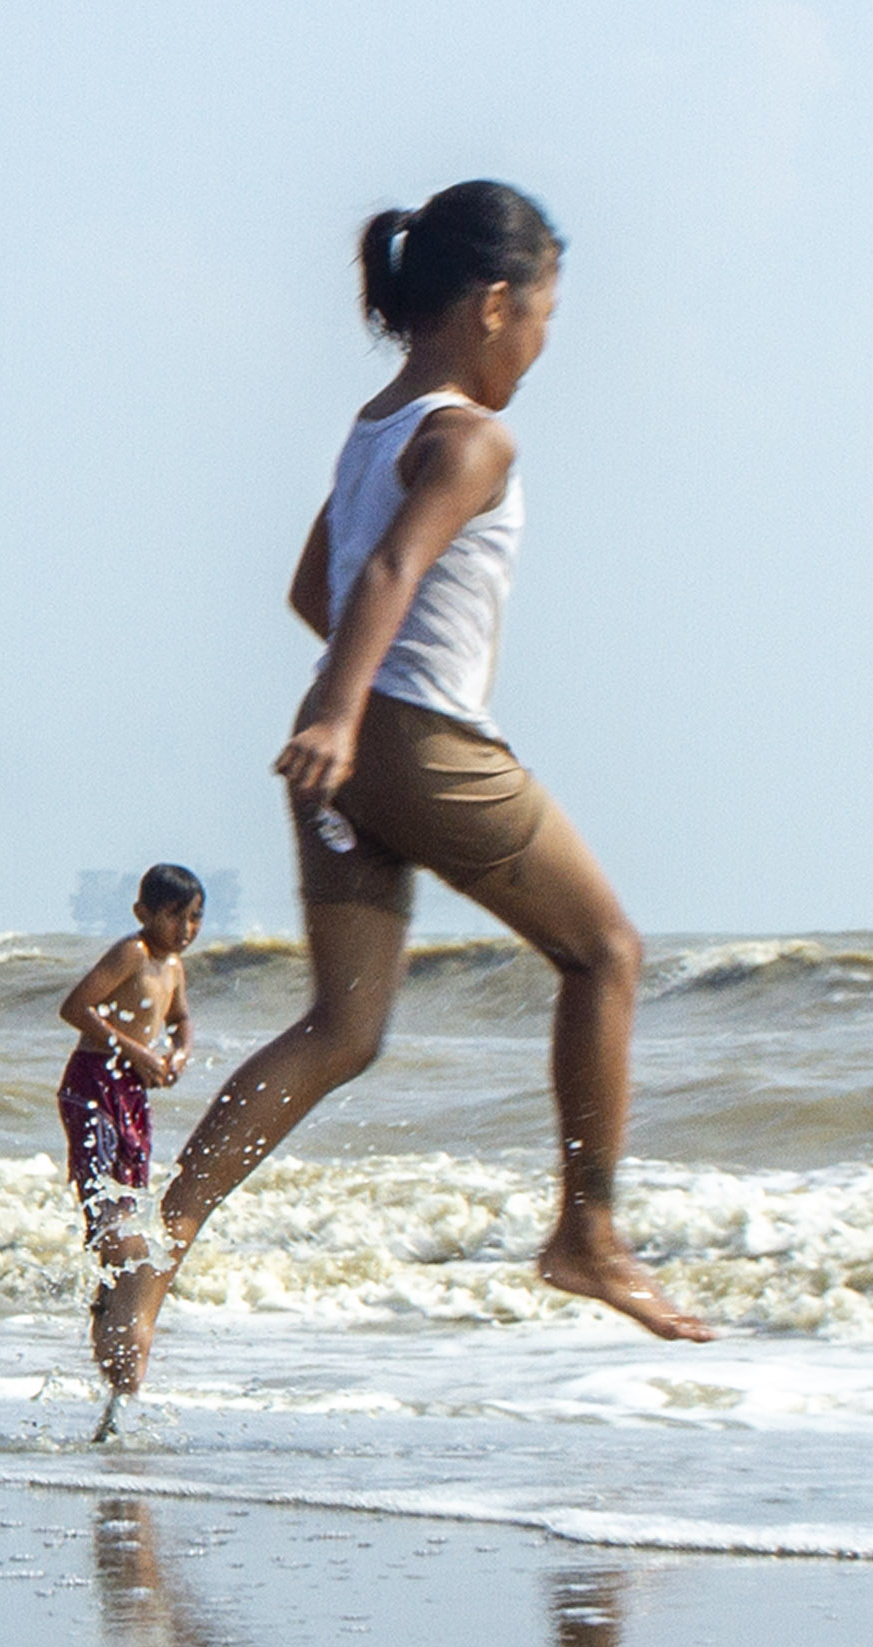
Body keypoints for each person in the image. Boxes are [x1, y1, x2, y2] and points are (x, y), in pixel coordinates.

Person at [95, 181, 710, 1394]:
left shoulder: (373, 424)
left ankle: (151, 1251)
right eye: (541, 316)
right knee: (607, 955)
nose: (540, 345)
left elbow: (313, 589)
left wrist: (337, 704)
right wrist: (353, 705)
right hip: (422, 745)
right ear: (492, 304)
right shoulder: (474, 437)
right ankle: (586, 1232)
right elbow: (384, 565)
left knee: (343, 1029)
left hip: (343, 754)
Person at [53, 865, 203, 1255]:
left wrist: (179, 1053)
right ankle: (100, 1271)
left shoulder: (173, 966)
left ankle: (118, 1275)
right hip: (93, 1080)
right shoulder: (132, 953)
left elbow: (181, 1018)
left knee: (129, 1192)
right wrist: (135, 1051)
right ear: (143, 914)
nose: (185, 929)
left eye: (194, 917)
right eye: (174, 916)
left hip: (131, 1088)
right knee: (101, 1192)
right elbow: (75, 1008)